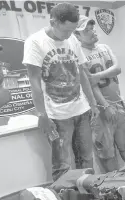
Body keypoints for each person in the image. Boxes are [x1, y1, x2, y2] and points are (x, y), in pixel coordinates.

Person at [22, 3, 99, 181]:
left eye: (72, 31)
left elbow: (82, 74)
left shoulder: (72, 39)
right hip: (57, 116)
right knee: (62, 165)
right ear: (53, 22)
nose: (69, 35)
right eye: (65, 31)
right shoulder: (35, 42)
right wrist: (42, 115)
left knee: (87, 161)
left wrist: (93, 103)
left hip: (82, 110)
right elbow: (33, 81)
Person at [74, 15, 125, 172]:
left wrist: (96, 76)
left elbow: (117, 68)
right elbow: (89, 86)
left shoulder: (105, 47)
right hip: (101, 110)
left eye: (92, 28)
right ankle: (115, 187)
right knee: (107, 153)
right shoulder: (79, 54)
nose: (92, 31)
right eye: (87, 30)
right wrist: (105, 105)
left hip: (119, 105)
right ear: (77, 35)